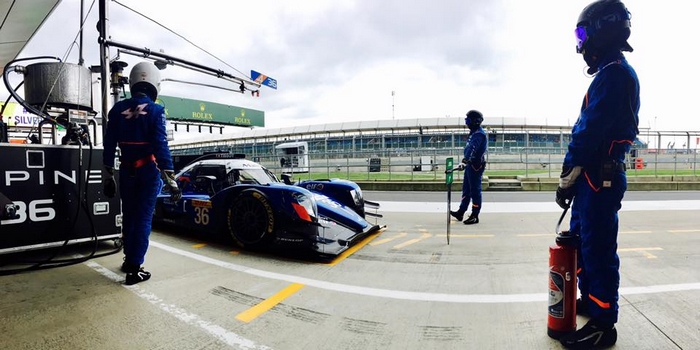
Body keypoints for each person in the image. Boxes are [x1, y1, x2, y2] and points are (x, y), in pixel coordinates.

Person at [555, 1, 640, 348]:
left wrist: (566, 177)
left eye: (582, 32)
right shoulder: (612, 72)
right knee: (585, 246)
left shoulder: (614, 74)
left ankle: (604, 323)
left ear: (600, 30)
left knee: (598, 249)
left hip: (598, 177)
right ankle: (593, 301)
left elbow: (588, 132)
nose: (580, 43)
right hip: (593, 178)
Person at [103, 61, 181, 285]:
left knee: (128, 217)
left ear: (132, 82)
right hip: (147, 171)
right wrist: (171, 180)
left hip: (125, 171)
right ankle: (135, 269)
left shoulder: (117, 110)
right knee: (144, 219)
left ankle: (129, 261)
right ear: (155, 84)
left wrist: (108, 174)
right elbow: (160, 145)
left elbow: (109, 145)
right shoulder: (156, 111)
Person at [450, 110, 487, 225]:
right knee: (466, 189)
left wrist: (465, 161)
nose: (466, 123)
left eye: (468, 120)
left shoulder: (479, 134)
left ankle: (475, 215)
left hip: (475, 166)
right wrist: (465, 162)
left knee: (475, 191)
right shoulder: (473, 133)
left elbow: (473, 149)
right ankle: (461, 212)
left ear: (475, 121)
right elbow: (469, 149)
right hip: (470, 165)